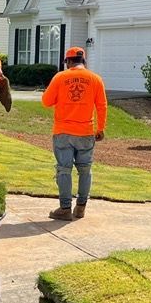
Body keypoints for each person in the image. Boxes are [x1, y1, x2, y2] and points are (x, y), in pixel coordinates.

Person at [40, 45, 107, 221]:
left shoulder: (60, 77)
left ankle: (64, 208)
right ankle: (81, 207)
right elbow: (102, 106)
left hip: (63, 131)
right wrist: (100, 129)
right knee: (85, 170)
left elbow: (46, 101)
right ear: (83, 61)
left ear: (68, 61)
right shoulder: (95, 79)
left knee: (64, 169)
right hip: (86, 131)